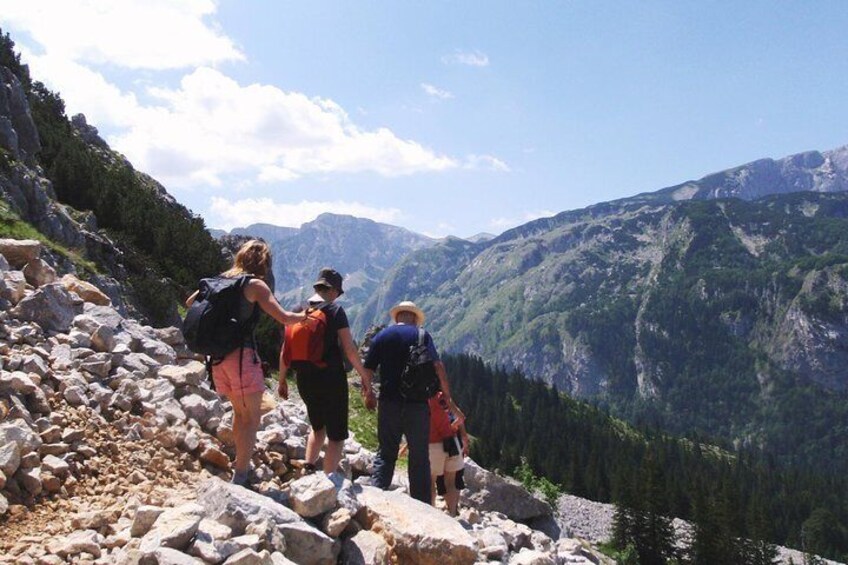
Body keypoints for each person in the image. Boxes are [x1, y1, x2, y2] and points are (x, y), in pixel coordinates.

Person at [186, 240, 304, 486]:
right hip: (241, 358)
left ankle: (238, 466)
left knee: (240, 414)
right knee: (251, 418)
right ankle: (241, 475)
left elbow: (190, 304)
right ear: (265, 263)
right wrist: (309, 317)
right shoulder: (254, 285)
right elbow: (283, 317)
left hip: (217, 359)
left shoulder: (218, 281)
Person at [278, 268, 375, 476]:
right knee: (337, 436)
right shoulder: (335, 311)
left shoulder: (298, 308)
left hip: (303, 378)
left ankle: (309, 467)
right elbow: (349, 349)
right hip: (331, 379)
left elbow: (285, 349)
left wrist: (282, 380)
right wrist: (365, 377)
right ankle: (328, 481)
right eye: (338, 293)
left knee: (317, 427)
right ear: (333, 291)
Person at [363, 301, 459, 504]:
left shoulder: (383, 336)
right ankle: (421, 504)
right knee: (419, 456)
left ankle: (375, 498)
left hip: (389, 403)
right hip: (417, 405)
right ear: (414, 318)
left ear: (397, 317)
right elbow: (438, 366)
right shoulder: (422, 335)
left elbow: (368, 369)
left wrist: (368, 393)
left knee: (386, 451)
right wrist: (447, 396)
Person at [429, 389, 469, 515]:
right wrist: (454, 428)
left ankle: (430, 513)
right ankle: (452, 513)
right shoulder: (443, 397)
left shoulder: (420, 398)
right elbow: (461, 417)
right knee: (451, 481)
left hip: (433, 443)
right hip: (452, 442)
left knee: (430, 480)